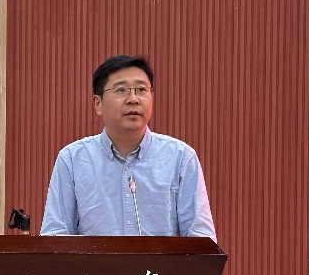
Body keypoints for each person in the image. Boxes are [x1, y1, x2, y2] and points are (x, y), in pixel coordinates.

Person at [40, 55, 216, 239]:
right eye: (121, 90)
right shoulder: (73, 160)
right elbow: (55, 236)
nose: (133, 99)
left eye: (141, 89)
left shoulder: (180, 158)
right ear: (98, 104)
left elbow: (201, 238)